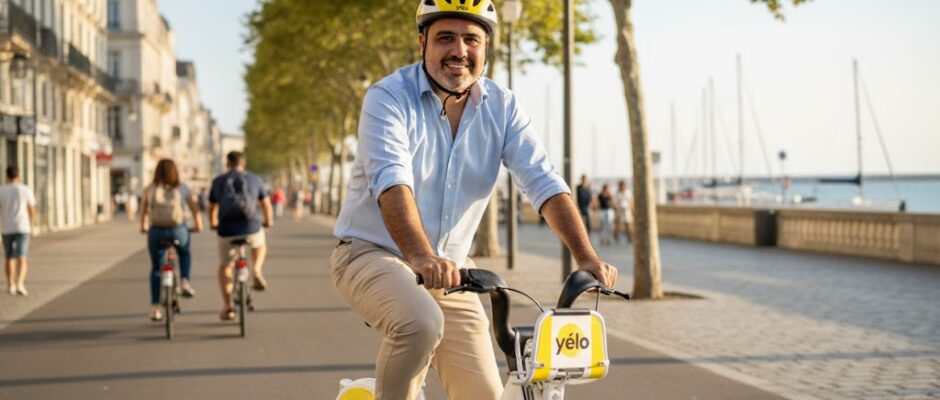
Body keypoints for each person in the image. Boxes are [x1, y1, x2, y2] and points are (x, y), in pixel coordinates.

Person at [330, 2, 618, 398]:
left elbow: (544, 182)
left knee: (484, 393)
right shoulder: (388, 98)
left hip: (452, 273)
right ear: (422, 42)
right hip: (370, 254)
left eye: (472, 39)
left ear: (486, 48)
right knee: (420, 323)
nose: (459, 50)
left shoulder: (503, 107)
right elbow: (391, 182)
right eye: (445, 37)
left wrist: (586, 256)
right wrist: (419, 256)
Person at [208, 151, 273, 321]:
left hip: (226, 230)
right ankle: (257, 269)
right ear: (243, 163)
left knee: (225, 265)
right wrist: (268, 222)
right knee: (260, 242)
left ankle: (228, 306)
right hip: (251, 227)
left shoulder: (218, 181)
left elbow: (211, 207)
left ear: (227, 163)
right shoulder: (255, 180)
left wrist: (213, 223)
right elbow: (266, 204)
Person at [139, 159, 203, 321]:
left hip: (156, 232)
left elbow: (144, 211)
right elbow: (195, 208)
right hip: (178, 230)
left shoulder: (150, 189)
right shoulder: (182, 188)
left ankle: (155, 308)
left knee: (156, 268)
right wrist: (198, 226)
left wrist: (143, 226)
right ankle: (184, 282)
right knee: (184, 253)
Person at [0, 166, 36, 296]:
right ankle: (20, 283)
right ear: (18, 175)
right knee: (22, 256)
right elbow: (31, 208)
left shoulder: (1, 190)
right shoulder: (25, 189)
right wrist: (32, 225)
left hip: (6, 227)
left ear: (6, 175)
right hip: (23, 227)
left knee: (9, 256)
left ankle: (11, 284)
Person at [613, 179, 633, 244]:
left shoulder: (628, 192)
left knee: (628, 224)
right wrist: (617, 209)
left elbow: (631, 201)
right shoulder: (617, 193)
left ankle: (629, 238)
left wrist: (630, 208)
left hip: (627, 210)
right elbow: (615, 202)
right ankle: (616, 237)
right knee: (617, 224)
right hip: (619, 210)